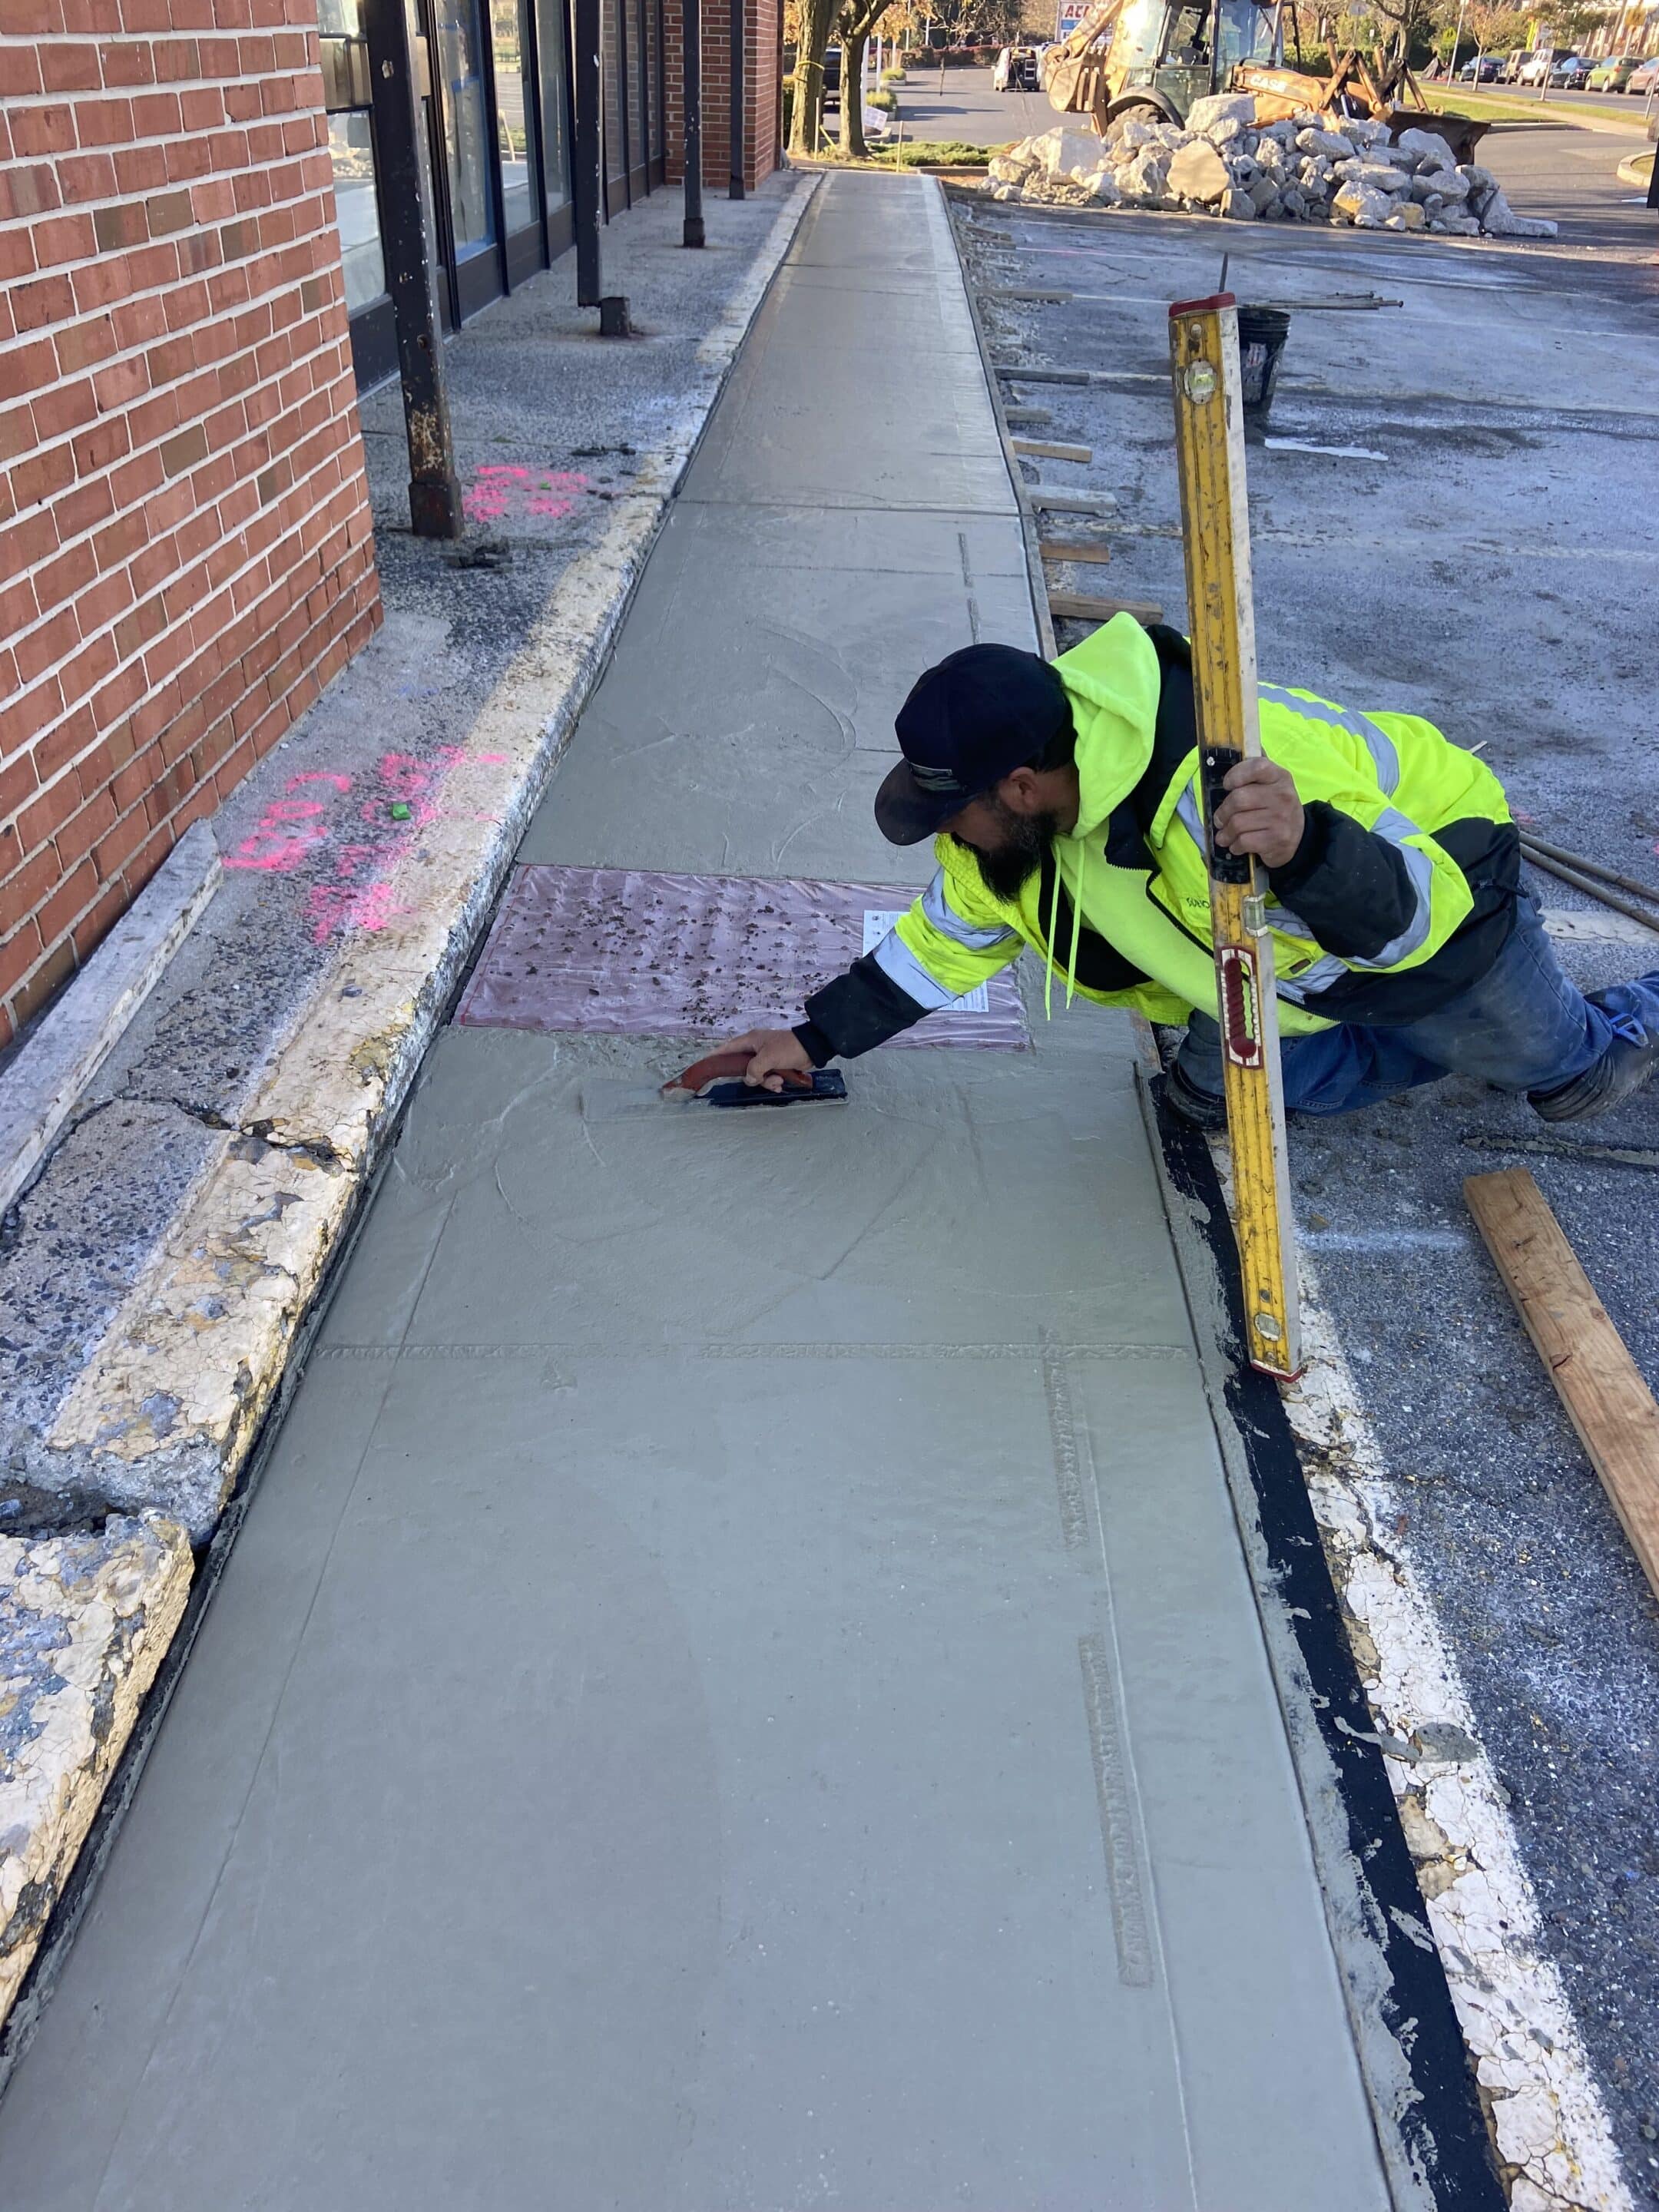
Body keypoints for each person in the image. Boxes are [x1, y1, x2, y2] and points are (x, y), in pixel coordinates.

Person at [723, 618, 1659, 1126]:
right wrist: (814, 1039)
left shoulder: (1222, 783)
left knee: (1570, 1082)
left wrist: (1306, 850)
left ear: (1018, 787)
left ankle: (1609, 1015)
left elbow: (1416, 917)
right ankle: (1430, 1040)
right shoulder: (1010, 835)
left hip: (1438, 903)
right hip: (1267, 965)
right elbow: (943, 942)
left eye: (951, 812)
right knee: (1207, 1102)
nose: (948, 836)